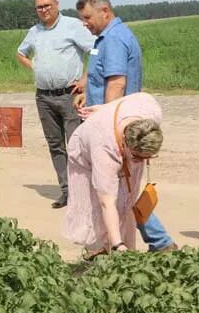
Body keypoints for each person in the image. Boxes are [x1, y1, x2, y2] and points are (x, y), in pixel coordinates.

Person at [76, 0, 177, 253]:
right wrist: (84, 90)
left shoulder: (116, 39)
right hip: (110, 121)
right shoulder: (103, 39)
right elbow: (98, 71)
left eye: (87, 17)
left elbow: (117, 83)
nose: (84, 23)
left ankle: (153, 243)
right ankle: (155, 243)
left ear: (104, 11)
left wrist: (107, 123)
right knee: (121, 191)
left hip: (120, 130)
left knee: (120, 193)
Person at [16, 0, 95, 209]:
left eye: (47, 5)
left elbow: (97, 50)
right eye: (39, 7)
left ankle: (84, 193)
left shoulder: (73, 26)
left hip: (69, 96)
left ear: (57, 4)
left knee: (76, 146)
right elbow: (20, 53)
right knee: (55, 146)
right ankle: (67, 191)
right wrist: (36, 67)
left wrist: (85, 80)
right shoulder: (34, 31)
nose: (43, 10)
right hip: (43, 97)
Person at [64, 92, 163, 256]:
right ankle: (99, 252)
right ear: (125, 142)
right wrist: (118, 244)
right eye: (137, 157)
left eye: (148, 157)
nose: (141, 162)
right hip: (86, 151)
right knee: (96, 203)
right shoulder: (103, 148)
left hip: (111, 127)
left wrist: (106, 108)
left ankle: (130, 255)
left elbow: (138, 96)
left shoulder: (150, 112)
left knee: (128, 202)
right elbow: (107, 203)